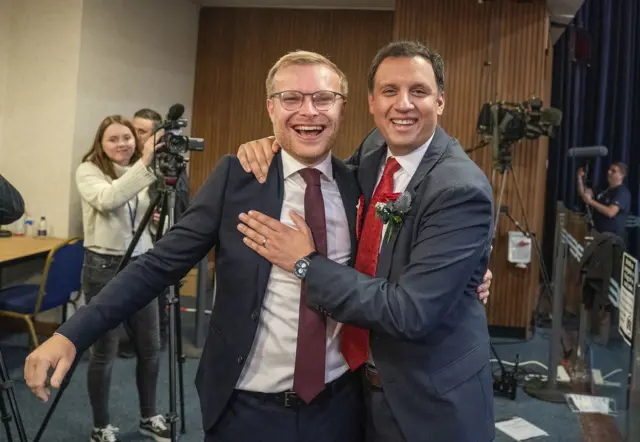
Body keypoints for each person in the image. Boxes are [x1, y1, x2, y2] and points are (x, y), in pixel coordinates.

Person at [24, 49, 490, 442]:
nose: (309, 112)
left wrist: (469, 274)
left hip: (342, 408)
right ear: (270, 108)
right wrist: (71, 332)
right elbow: (157, 266)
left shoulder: (360, 181)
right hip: (244, 408)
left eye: (323, 98)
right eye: (292, 98)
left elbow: (399, 260)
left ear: (344, 108)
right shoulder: (238, 178)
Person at [236, 40, 495, 442]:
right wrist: (272, 146)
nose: (403, 104)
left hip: (429, 404)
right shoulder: (375, 150)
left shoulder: (460, 188)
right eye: (390, 91)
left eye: (419, 91)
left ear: (441, 101)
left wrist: (305, 262)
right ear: (372, 102)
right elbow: (334, 181)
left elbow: (410, 312)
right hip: (358, 389)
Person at [72, 115, 170, 442]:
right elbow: (110, 198)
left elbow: (152, 220)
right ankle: (101, 427)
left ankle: (148, 416)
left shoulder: (143, 171)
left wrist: (160, 216)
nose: (122, 144)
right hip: (103, 267)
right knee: (105, 352)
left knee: (150, 347)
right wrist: (145, 163)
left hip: (141, 264)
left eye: (127, 137)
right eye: (113, 139)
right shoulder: (89, 171)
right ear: (100, 143)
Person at [577, 162, 631, 240]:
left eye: (613, 171)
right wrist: (579, 179)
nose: (609, 172)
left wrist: (591, 201)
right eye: (609, 169)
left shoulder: (622, 192)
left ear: (621, 175)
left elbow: (610, 212)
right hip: (598, 235)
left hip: (612, 239)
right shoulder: (603, 187)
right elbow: (584, 195)